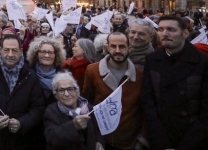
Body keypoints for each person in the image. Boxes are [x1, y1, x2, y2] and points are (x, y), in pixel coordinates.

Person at [141, 15, 208, 150]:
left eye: (171, 30)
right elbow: (148, 101)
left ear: (185, 33)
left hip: (194, 138)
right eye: (161, 29)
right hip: (162, 136)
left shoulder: (203, 61)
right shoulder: (152, 60)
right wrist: (161, 139)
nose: (165, 34)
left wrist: (189, 143)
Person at [83, 32, 147, 149]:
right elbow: (87, 103)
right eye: (113, 46)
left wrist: (140, 141)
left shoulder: (140, 76)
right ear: (107, 48)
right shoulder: (92, 70)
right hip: (101, 140)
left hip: (128, 142)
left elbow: (144, 110)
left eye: (122, 46)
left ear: (129, 48)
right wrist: (93, 137)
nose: (117, 50)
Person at [0, 35, 45, 149]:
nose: (10, 54)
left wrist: (22, 123)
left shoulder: (30, 75)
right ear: (0, 51)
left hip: (20, 142)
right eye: (6, 50)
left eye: (14, 50)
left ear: (21, 51)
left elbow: (38, 108)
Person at [44, 72, 104, 150]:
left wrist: (99, 142)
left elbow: (99, 129)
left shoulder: (89, 108)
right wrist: (73, 125)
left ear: (77, 91)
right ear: (56, 94)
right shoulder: (51, 111)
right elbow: (52, 137)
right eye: (61, 90)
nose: (66, 94)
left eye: (70, 89)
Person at [26, 38, 66, 105]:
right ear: (36, 54)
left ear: (56, 55)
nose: (47, 55)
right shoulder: (27, 74)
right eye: (43, 52)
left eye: (50, 52)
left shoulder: (63, 76)